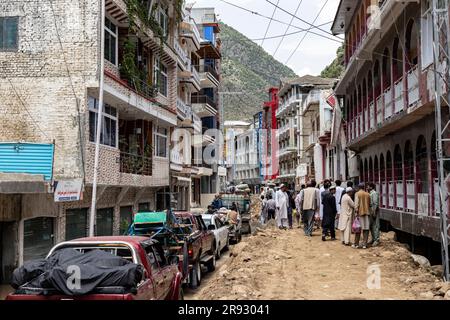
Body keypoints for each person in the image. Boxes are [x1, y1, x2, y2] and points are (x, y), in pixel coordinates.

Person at [354, 183, 371, 249]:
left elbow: (356, 205)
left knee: (358, 229)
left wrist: (356, 213)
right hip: (367, 213)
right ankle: (364, 244)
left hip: (359, 214)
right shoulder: (368, 194)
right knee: (366, 229)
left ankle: (356, 244)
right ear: (364, 187)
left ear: (358, 187)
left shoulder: (357, 194)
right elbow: (369, 204)